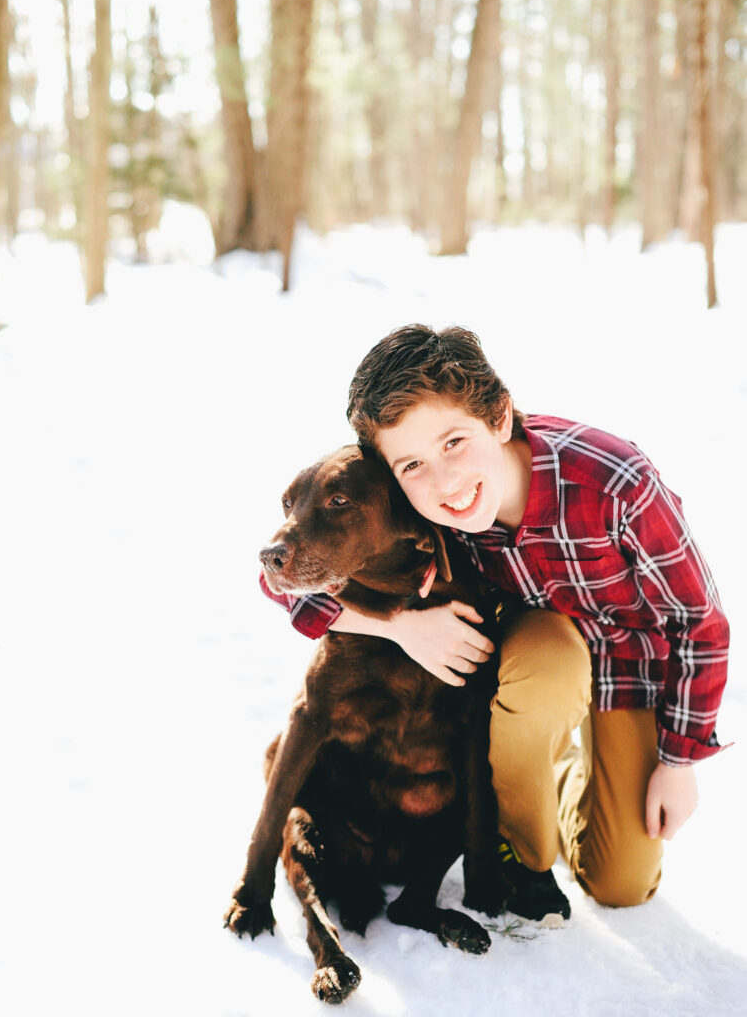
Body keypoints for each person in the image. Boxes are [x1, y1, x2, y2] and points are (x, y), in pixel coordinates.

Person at [261, 323, 729, 921]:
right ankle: (521, 830)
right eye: (412, 464)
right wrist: (400, 625)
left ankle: (569, 762)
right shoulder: (413, 499)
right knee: (544, 676)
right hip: (537, 652)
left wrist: (680, 760)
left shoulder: (613, 481)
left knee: (621, 883)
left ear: (500, 416)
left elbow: (699, 622)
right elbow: (281, 581)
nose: (445, 482)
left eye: (455, 442)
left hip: (629, 660)